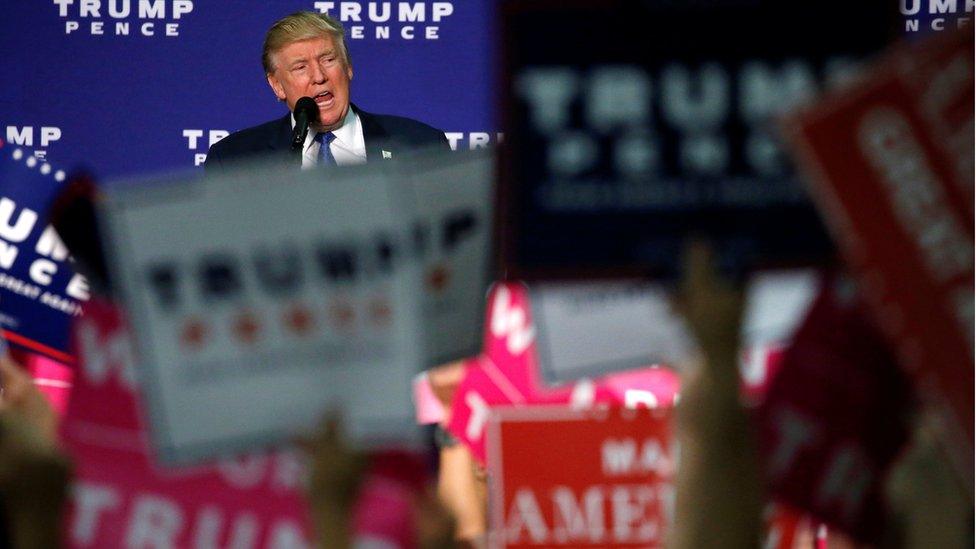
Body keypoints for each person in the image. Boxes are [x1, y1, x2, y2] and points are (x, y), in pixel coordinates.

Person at [205, 11, 450, 171]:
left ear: (348, 67)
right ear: (277, 85)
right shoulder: (233, 160)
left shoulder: (422, 146)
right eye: (300, 67)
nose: (319, 76)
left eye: (328, 59)